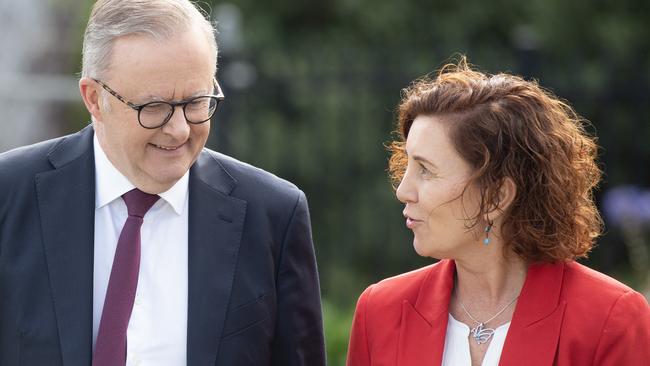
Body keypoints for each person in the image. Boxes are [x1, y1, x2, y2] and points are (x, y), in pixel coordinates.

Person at [0, 1, 325, 365]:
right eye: (153, 107)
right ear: (94, 98)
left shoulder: (274, 215)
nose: (179, 130)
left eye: (196, 102)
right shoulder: (9, 194)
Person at [346, 58, 650, 366]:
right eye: (407, 164)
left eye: (425, 170)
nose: (402, 191)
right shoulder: (380, 312)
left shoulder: (611, 320)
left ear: (497, 196)